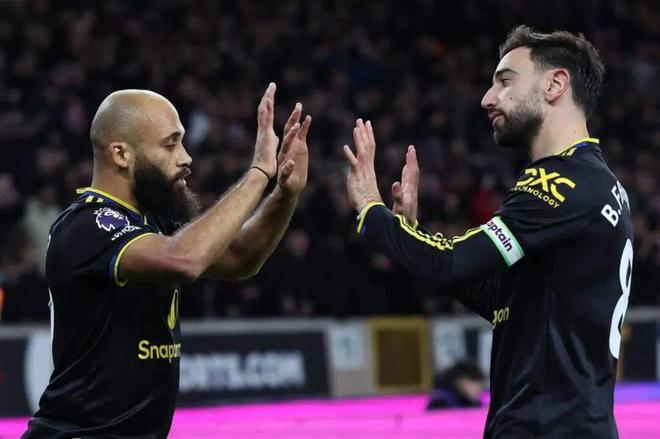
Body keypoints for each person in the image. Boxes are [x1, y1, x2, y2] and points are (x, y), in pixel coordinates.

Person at [344, 25, 632, 438]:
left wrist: (370, 209)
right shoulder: (598, 185)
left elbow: (447, 264)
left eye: (505, 81)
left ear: (555, 84)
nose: (487, 98)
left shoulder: (562, 184)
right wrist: (410, 232)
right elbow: (501, 298)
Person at [23, 83, 312, 438]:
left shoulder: (153, 223)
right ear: (121, 154)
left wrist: (285, 194)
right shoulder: (87, 224)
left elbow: (240, 258)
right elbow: (184, 260)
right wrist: (258, 173)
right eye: (170, 144)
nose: (186, 158)